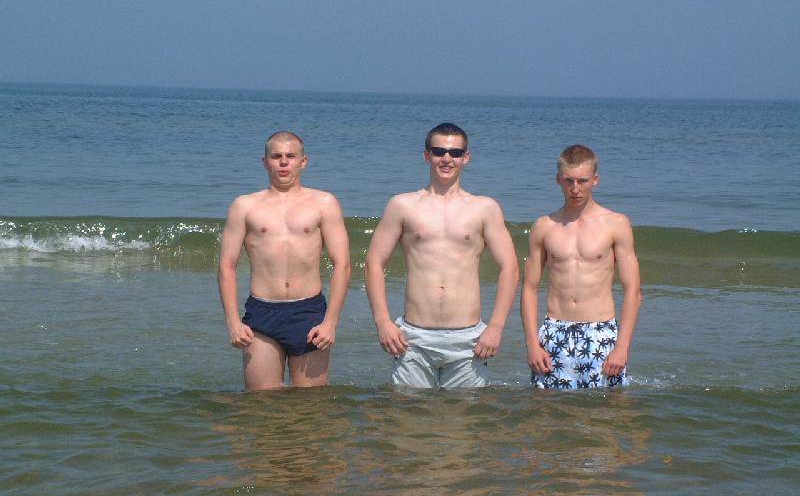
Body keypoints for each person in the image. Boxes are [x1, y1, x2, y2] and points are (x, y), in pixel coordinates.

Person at [365, 123, 519, 388]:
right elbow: (373, 262)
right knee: (407, 411)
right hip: (413, 339)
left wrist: (495, 327)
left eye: (455, 153)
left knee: (465, 412)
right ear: (427, 155)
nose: (447, 158)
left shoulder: (484, 208)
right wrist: (383, 322)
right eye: (439, 151)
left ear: (465, 157)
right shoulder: (402, 205)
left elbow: (510, 267)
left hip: (468, 340)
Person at [217, 131, 351, 390]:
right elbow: (226, 266)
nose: (283, 162)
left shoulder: (324, 203)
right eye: (276, 156)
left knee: (310, 404)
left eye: (290, 156)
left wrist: (330, 322)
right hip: (262, 313)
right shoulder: (244, 206)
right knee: (262, 402)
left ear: (303, 161)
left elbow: (342, 264)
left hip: (309, 313)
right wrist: (233, 323)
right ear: (265, 161)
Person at [521, 144, 641, 389]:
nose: (575, 189)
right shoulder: (544, 226)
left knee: (608, 408)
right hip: (555, 331)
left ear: (595, 180)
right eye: (569, 181)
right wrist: (532, 344)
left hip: (600, 332)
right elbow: (529, 289)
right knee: (545, 407)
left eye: (582, 181)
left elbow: (633, 291)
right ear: (558, 179)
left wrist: (622, 347)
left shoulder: (616, 224)